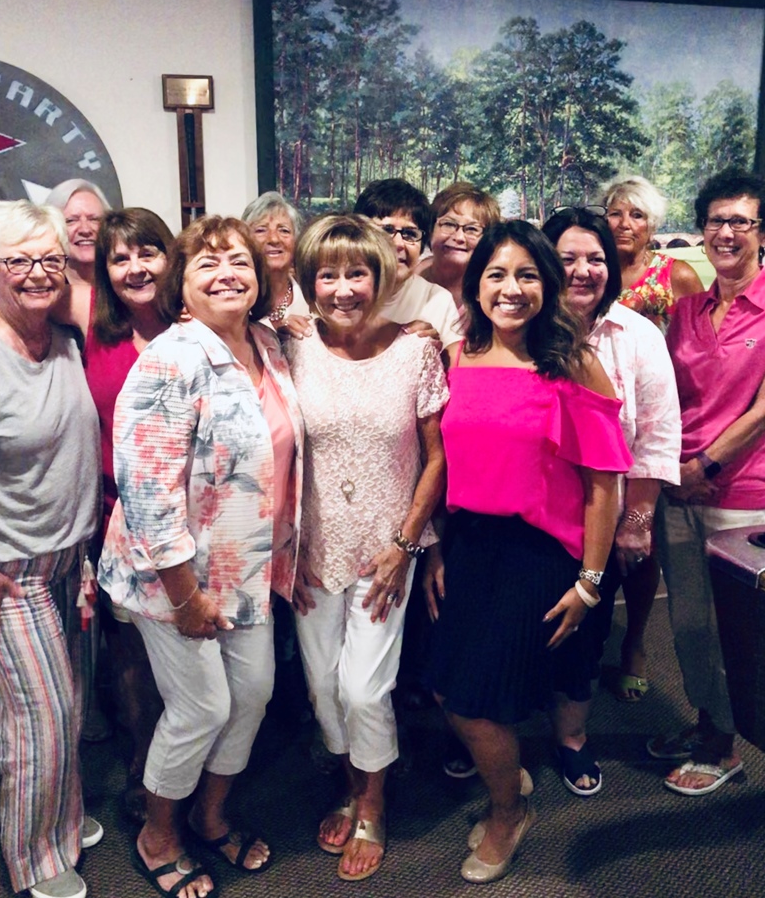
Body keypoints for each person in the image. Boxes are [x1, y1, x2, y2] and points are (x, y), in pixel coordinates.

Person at [99, 216, 304, 898]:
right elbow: (146, 488)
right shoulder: (171, 358)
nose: (226, 274)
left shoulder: (268, 345)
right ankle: (159, 834)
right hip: (173, 578)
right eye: (207, 264)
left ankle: (210, 817)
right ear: (181, 287)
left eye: (238, 261)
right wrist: (185, 596)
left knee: (253, 694)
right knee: (202, 708)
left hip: (245, 568)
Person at [424, 220, 631, 883]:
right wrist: (436, 549)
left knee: (474, 701)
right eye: (496, 274)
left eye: (526, 275)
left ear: (547, 285)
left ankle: (508, 811)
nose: (510, 289)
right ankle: (507, 776)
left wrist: (590, 582)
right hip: (469, 542)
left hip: (538, 552)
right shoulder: (457, 356)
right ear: (475, 284)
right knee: (443, 683)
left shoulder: (573, 364)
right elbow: (445, 465)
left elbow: (603, 485)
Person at [288, 213, 448, 882]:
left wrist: (406, 545)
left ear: (382, 278)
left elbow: (437, 459)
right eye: (328, 275)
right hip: (310, 550)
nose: (344, 289)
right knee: (323, 688)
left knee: (362, 688)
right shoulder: (290, 346)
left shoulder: (415, 351)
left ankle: (374, 803)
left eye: (357, 273)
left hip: (386, 550)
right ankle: (351, 782)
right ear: (309, 282)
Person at [542, 206, 681, 792]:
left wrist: (637, 521)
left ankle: (572, 738)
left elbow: (657, 435)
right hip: (526, 519)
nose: (583, 270)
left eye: (595, 259)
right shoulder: (515, 325)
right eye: (567, 258)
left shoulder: (637, 335)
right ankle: (495, 733)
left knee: (584, 631)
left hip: (601, 520)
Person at [0, 200, 102, 898]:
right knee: (43, 716)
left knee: (71, 706)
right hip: (13, 571)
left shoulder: (63, 338)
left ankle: (57, 813)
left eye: (50, 260)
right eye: (18, 260)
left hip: (72, 559)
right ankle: (36, 858)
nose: (37, 273)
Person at [650, 169, 765, 795]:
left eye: (741, 221)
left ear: (761, 233)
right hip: (677, 487)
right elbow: (666, 395)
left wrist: (704, 467)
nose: (727, 233)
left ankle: (727, 749)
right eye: (717, 221)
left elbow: (763, 411)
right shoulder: (686, 310)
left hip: (741, 493)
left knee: (734, 629)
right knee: (691, 622)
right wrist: (671, 470)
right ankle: (707, 724)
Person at [86, 207, 174, 820]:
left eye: (148, 252)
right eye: (120, 258)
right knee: (131, 659)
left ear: (171, 258)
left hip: (191, 520)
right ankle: (146, 768)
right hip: (116, 518)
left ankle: (196, 769)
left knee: (193, 655)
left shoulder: (197, 320)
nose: (136, 268)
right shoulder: (92, 323)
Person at [354, 178, 461, 345]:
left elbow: (454, 358)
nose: (398, 244)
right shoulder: (332, 291)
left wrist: (437, 351)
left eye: (410, 234)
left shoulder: (437, 300)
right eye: (386, 231)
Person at [602, 175, 703, 331]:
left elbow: (703, 336)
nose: (625, 224)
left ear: (652, 226)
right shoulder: (591, 273)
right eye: (615, 214)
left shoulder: (677, 276)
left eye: (637, 215)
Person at [417, 182, 500, 308]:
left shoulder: (493, 290)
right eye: (449, 224)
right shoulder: (406, 280)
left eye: (472, 229)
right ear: (430, 229)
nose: (459, 237)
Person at [47, 178, 110, 338]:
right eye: (71, 221)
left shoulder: (122, 283)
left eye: (94, 219)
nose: (85, 229)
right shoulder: (45, 292)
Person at [241, 190, 310, 330]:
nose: (274, 239)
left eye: (284, 230)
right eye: (261, 230)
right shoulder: (235, 299)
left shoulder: (312, 297)